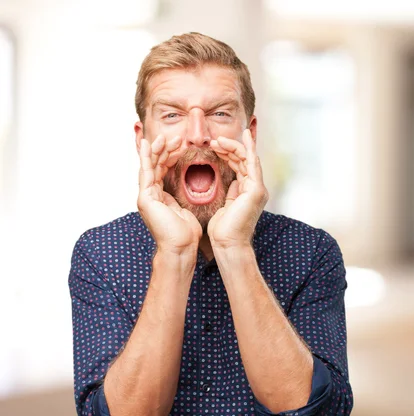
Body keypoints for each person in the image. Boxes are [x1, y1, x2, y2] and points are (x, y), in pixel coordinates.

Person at [68, 32, 353, 416]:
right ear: (142, 139)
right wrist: (175, 252)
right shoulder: (100, 253)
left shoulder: (311, 252)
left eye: (220, 113)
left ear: (249, 134)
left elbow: (317, 410)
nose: (198, 135)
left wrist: (235, 249)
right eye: (171, 114)